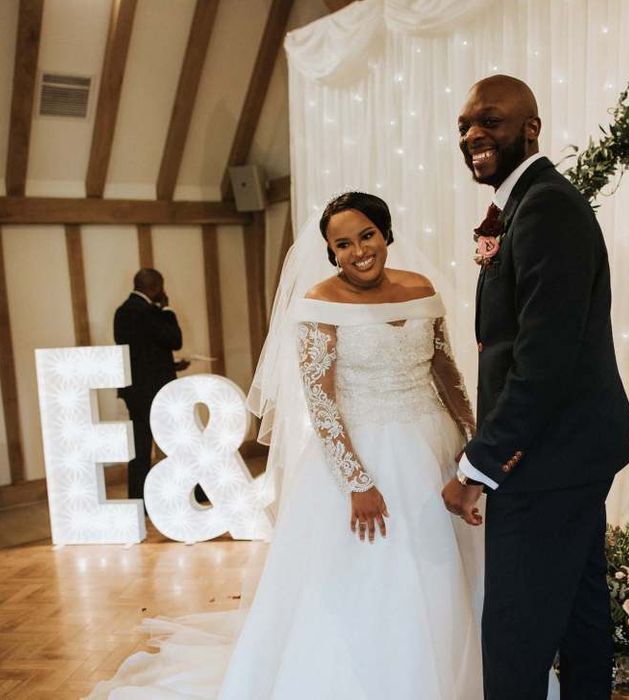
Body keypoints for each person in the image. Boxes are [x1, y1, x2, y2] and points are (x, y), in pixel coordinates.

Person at [88, 193, 491, 699]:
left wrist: (471, 443)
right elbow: (320, 403)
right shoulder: (321, 302)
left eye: (366, 235)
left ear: (385, 233)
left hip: (434, 446)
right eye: (341, 245)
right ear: (330, 253)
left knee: (442, 571)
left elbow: (445, 370)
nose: (358, 251)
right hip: (361, 453)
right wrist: (356, 482)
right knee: (376, 576)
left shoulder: (420, 289)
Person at [442, 75, 629, 699]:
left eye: (490, 121)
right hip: (571, 449)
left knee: (516, 630)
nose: (473, 134)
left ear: (531, 127)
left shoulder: (545, 205)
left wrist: (483, 463)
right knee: (578, 616)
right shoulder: (526, 203)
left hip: (548, 455)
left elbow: (544, 358)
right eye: (466, 125)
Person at [114, 268, 189, 501]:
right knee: (176, 441)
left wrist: (170, 365)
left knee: (140, 448)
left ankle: (139, 498)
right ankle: (185, 492)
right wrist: (167, 309)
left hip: (135, 391)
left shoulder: (122, 312)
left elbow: (139, 353)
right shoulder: (151, 312)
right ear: (155, 287)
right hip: (157, 391)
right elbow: (175, 340)